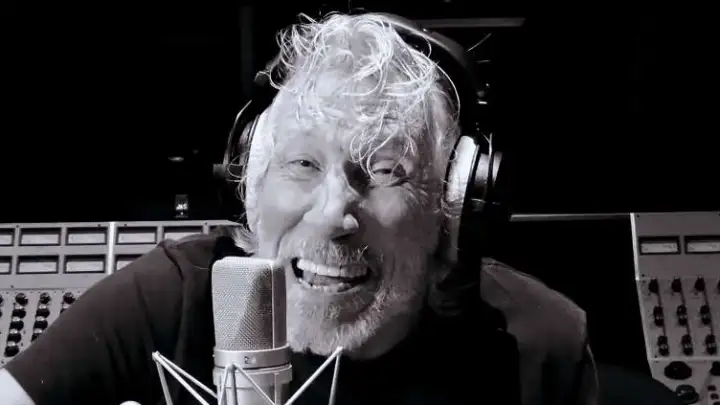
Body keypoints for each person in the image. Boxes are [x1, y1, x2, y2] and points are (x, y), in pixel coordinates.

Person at [0, 12, 599, 405]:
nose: (333, 215)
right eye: (304, 163)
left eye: (385, 171)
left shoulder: (535, 349)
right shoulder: (171, 301)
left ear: (452, 208)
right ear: (251, 188)